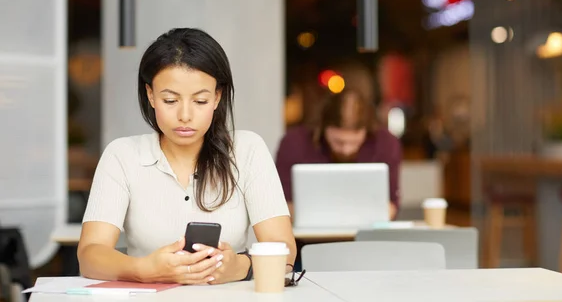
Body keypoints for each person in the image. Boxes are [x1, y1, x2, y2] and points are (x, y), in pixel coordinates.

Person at [77, 28, 296, 285]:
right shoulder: (122, 156)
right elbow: (90, 255)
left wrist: (240, 266)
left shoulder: (247, 150)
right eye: (170, 100)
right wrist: (145, 269)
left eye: (200, 101)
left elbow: (285, 250)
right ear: (151, 96)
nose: (184, 115)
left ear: (217, 97)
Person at [275, 88, 402, 221]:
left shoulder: (385, 143)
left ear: (367, 131)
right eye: (338, 142)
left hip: (368, 237)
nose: (346, 149)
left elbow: (391, 205)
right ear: (322, 128)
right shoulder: (294, 143)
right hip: (304, 239)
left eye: (354, 142)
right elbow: (281, 207)